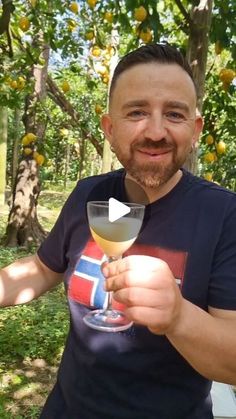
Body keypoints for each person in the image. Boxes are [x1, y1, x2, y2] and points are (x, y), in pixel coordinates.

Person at [0, 43, 236, 419]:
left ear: (195, 130)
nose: (155, 131)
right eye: (137, 112)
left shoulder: (224, 214)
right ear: (110, 128)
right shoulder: (88, 195)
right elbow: (43, 268)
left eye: (174, 114)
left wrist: (178, 317)